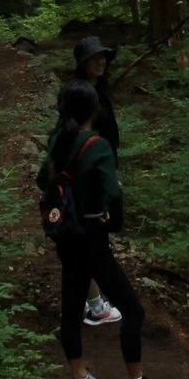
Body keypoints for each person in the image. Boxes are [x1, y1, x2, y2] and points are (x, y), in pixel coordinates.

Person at [38, 80, 167, 379]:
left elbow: (43, 179)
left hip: (65, 235)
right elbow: (112, 192)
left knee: (71, 306)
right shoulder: (97, 145)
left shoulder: (57, 139)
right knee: (132, 309)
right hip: (92, 238)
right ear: (94, 109)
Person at [63, 36, 125, 328]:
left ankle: (87, 303)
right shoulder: (80, 94)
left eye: (104, 57)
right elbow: (70, 136)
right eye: (94, 57)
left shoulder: (95, 89)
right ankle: (94, 305)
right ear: (82, 62)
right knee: (90, 239)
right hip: (88, 176)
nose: (101, 62)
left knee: (86, 240)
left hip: (97, 169)